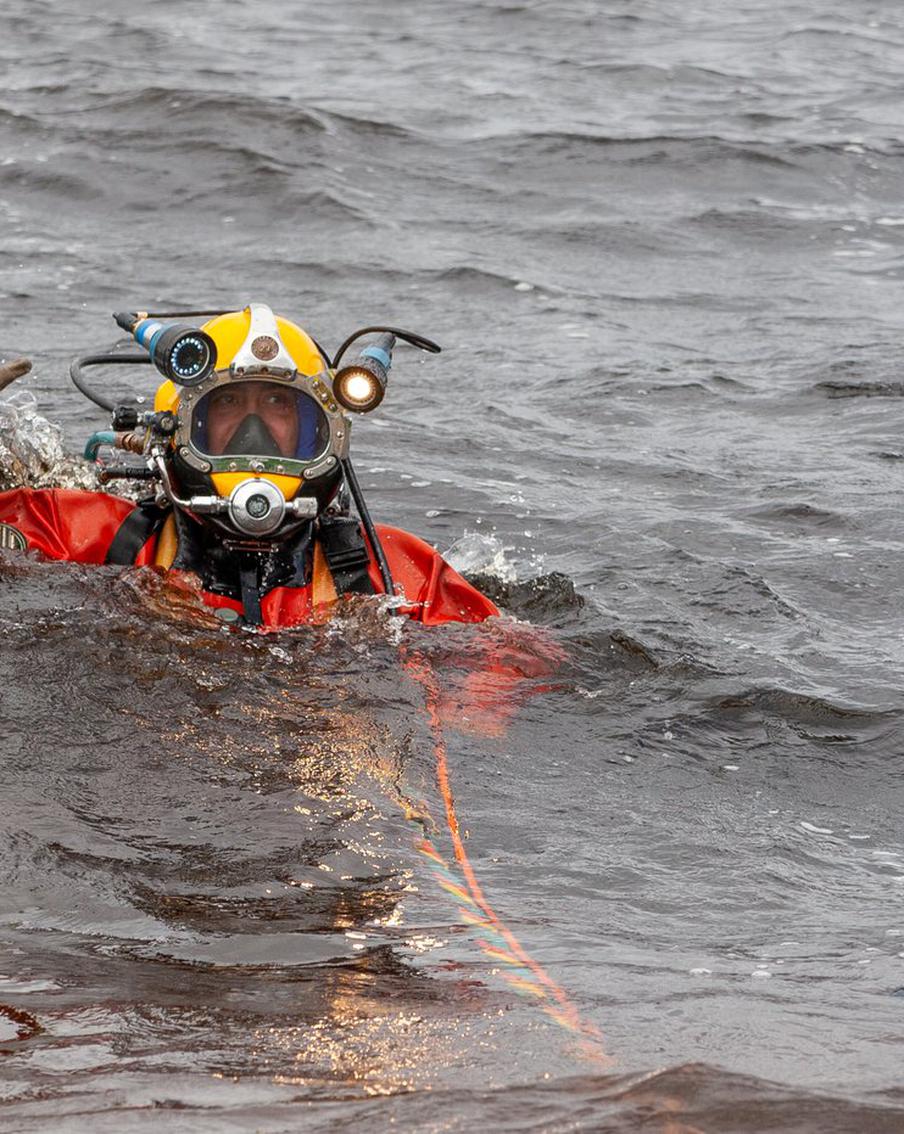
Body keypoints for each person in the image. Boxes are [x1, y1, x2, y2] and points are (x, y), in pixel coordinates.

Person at [0, 304, 498, 630]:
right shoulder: (92, 534)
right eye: (228, 402)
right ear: (179, 427)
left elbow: (505, 671)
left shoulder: (393, 570)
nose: (252, 431)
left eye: (279, 404)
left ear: (320, 431)